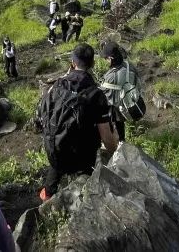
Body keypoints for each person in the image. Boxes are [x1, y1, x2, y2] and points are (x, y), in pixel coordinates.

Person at [35, 44, 118, 201]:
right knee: (88, 163)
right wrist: (116, 148)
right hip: (81, 160)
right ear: (92, 64)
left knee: (59, 153)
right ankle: (84, 192)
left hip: (54, 151)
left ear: (73, 63)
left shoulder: (58, 84)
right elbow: (107, 140)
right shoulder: (97, 95)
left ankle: (47, 194)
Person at [98, 41, 145, 141]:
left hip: (128, 111)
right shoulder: (129, 65)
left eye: (105, 58)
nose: (105, 60)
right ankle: (133, 126)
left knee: (111, 108)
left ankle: (121, 139)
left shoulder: (111, 77)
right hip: (138, 103)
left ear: (110, 59)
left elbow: (102, 95)